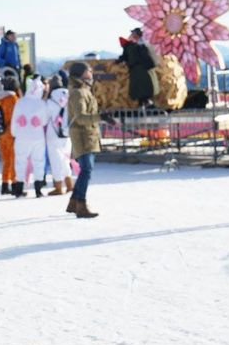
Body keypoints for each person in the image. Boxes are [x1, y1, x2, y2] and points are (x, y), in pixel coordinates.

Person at [66, 62, 115, 218]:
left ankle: (74, 202)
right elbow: (80, 117)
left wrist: (103, 117)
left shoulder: (85, 91)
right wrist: (100, 117)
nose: (91, 72)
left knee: (86, 170)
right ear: (81, 74)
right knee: (86, 170)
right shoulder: (78, 93)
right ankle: (81, 204)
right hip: (83, 136)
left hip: (88, 135)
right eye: (88, 70)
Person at [10, 76, 48, 198]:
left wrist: (15, 133)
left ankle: (19, 188)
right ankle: (38, 189)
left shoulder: (20, 102)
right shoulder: (41, 103)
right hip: (37, 137)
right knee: (38, 162)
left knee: (20, 162)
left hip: (21, 137)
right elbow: (45, 120)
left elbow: (14, 120)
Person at [45, 74, 74, 196]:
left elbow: (44, 118)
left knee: (55, 161)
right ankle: (69, 185)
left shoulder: (49, 101)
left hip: (53, 135)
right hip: (67, 134)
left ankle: (58, 187)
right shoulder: (69, 97)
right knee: (66, 160)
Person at [118, 28, 158, 107]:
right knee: (141, 91)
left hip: (141, 71)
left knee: (143, 90)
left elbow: (128, 56)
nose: (132, 35)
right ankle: (144, 105)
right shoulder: (133, 45)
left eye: (133, 34)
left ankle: (146, 105)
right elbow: (125, 56)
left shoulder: (139, 45)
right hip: (140, 71)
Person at [0, 75, 21, 195]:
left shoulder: (0, 98)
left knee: (5, 160)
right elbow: (15, 117)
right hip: (12, 132)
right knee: (13, 159)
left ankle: (4, 184)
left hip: (2, 133)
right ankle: (15, 184)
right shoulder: (14, 99)